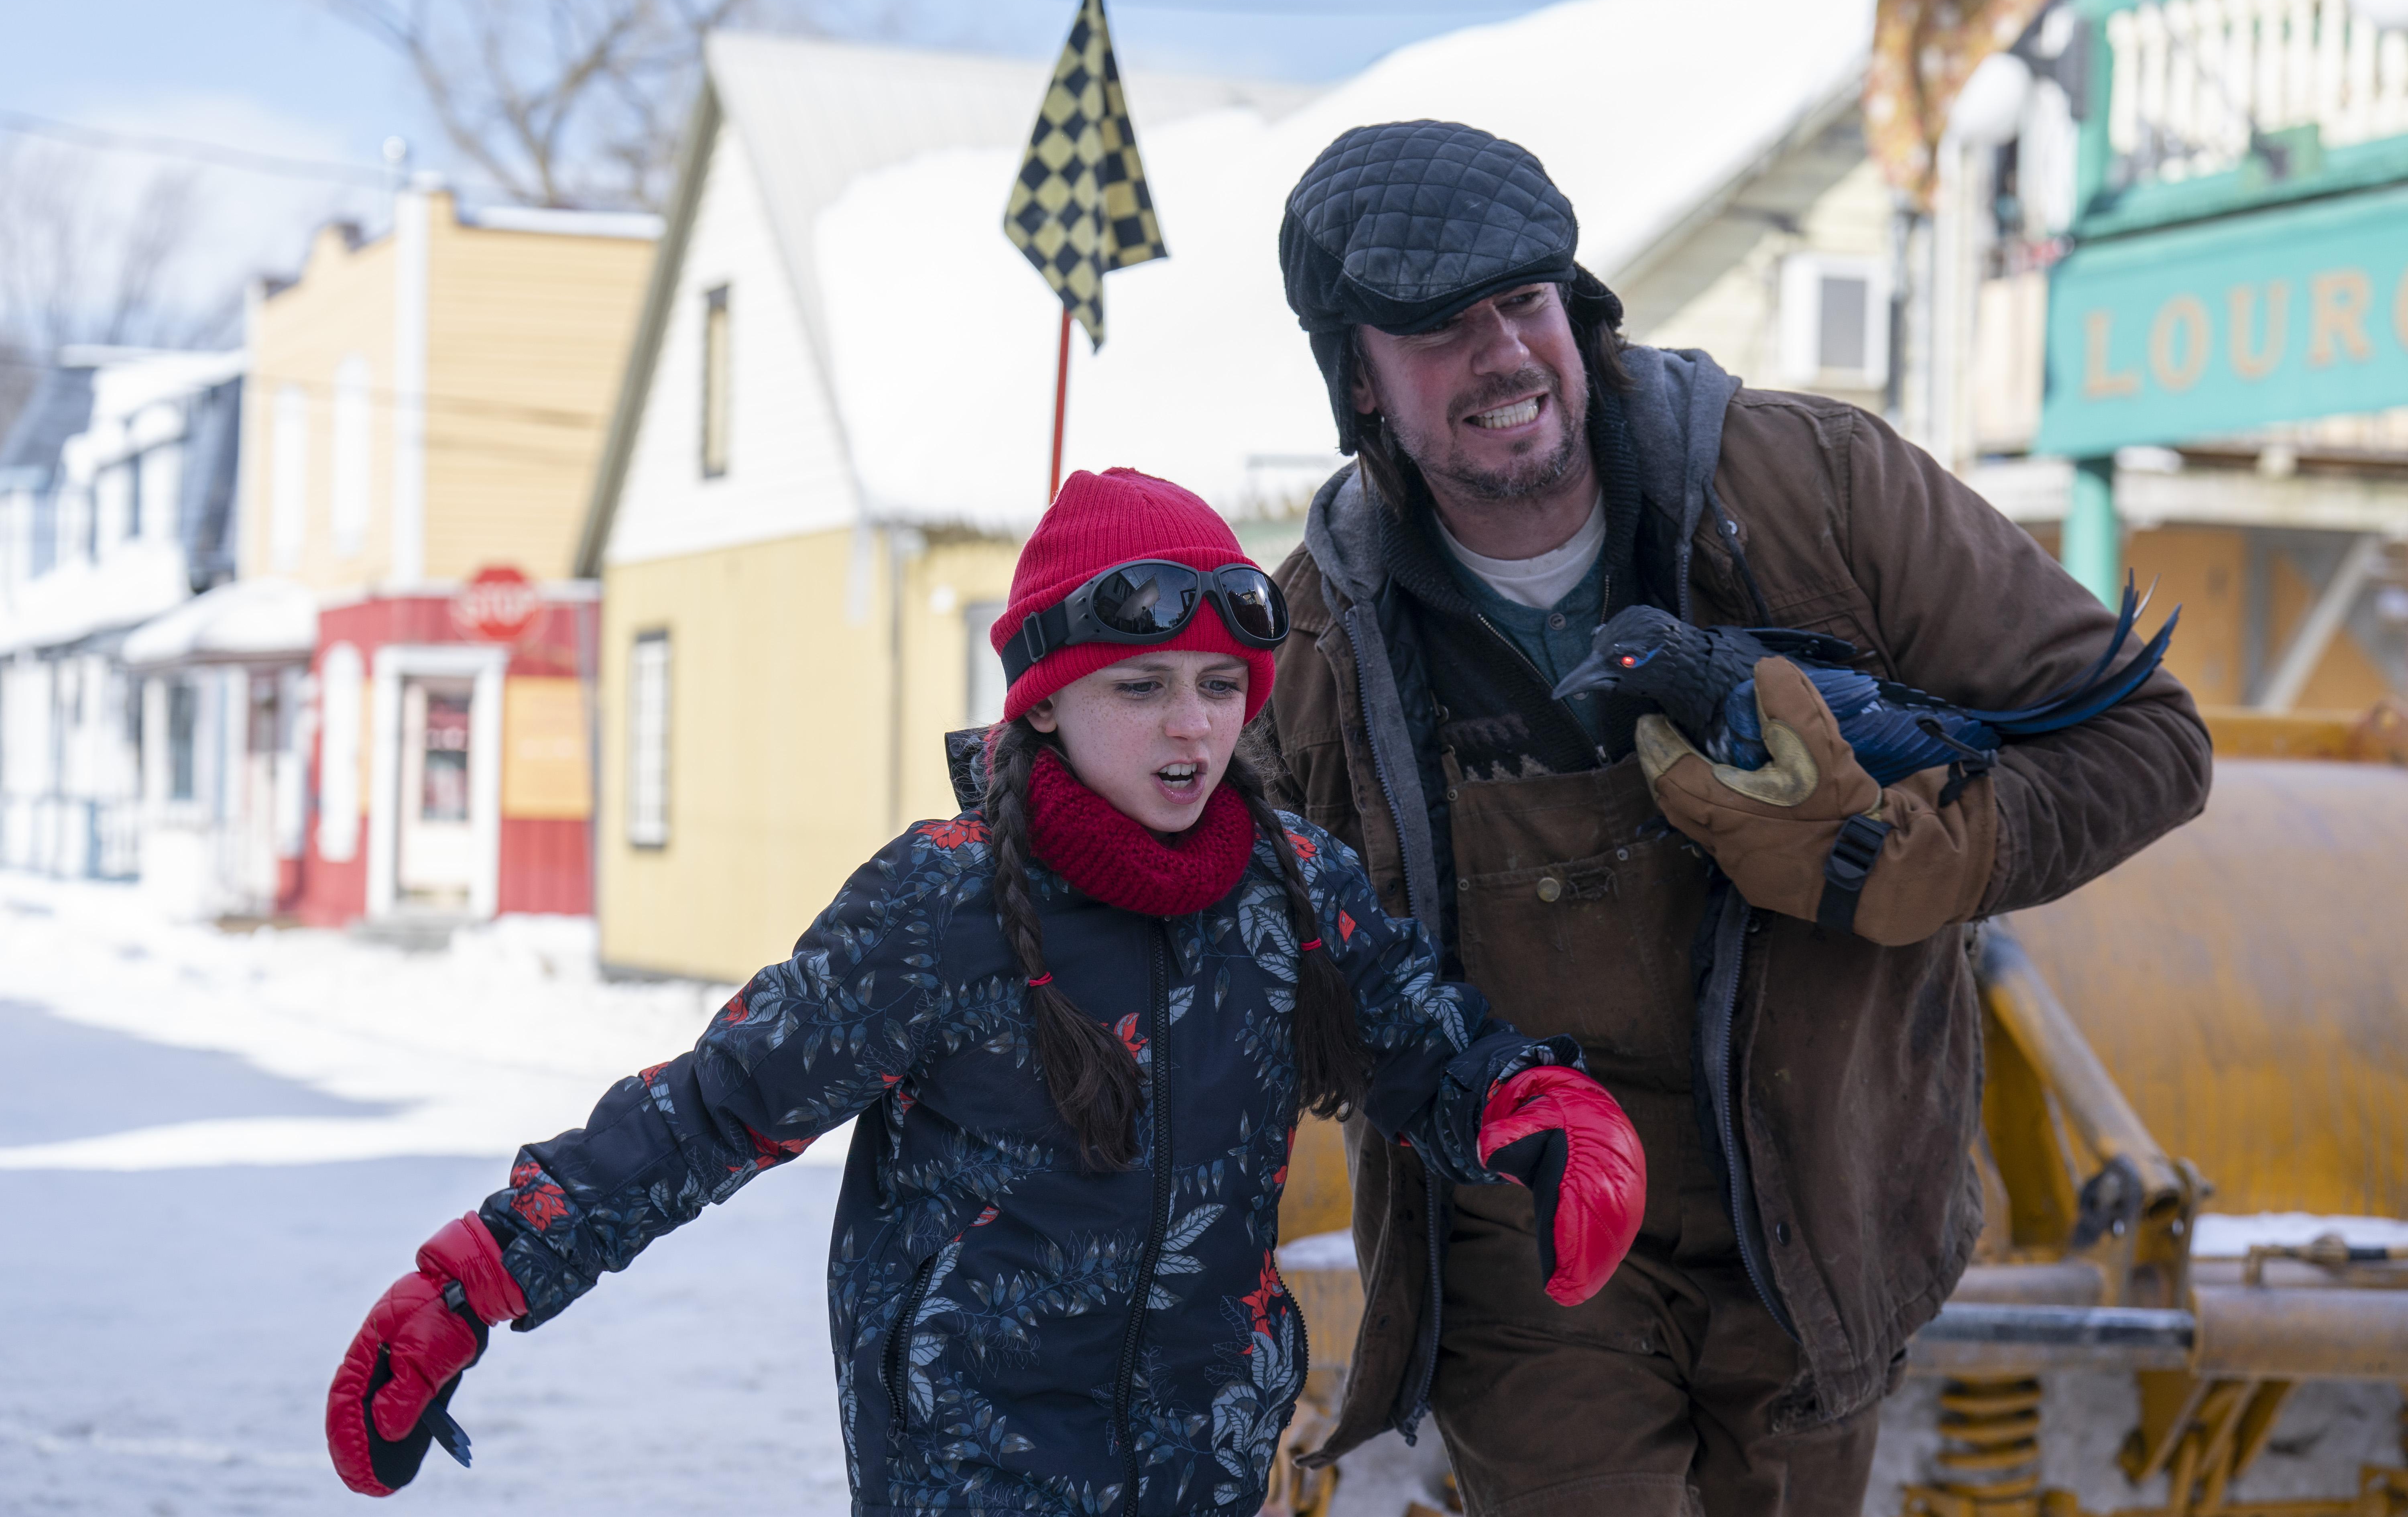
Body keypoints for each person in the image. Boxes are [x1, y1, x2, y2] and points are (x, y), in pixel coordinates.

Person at [324, 467, 1647, 1513]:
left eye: (1216, 688)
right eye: (1140, 688)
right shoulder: (939, 906)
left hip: (1209, 1469)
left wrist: (1533, 1105)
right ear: (1045, 708)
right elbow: (712, 1112)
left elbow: (1414, 1034)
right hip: (974, 1474)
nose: (1192, 728)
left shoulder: (1291, 885)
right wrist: (479, 1279)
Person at [1263, 122, 2212, 1516]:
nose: (1505, 356)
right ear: (1356, 373)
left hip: (1819, 1223)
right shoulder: (1316, 640)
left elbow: (2152, 739)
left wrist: (1904, 859)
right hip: (1528, 1251)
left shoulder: (1824, 491)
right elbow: (1282, 966)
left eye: (1526, 303)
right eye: (1439, 330)